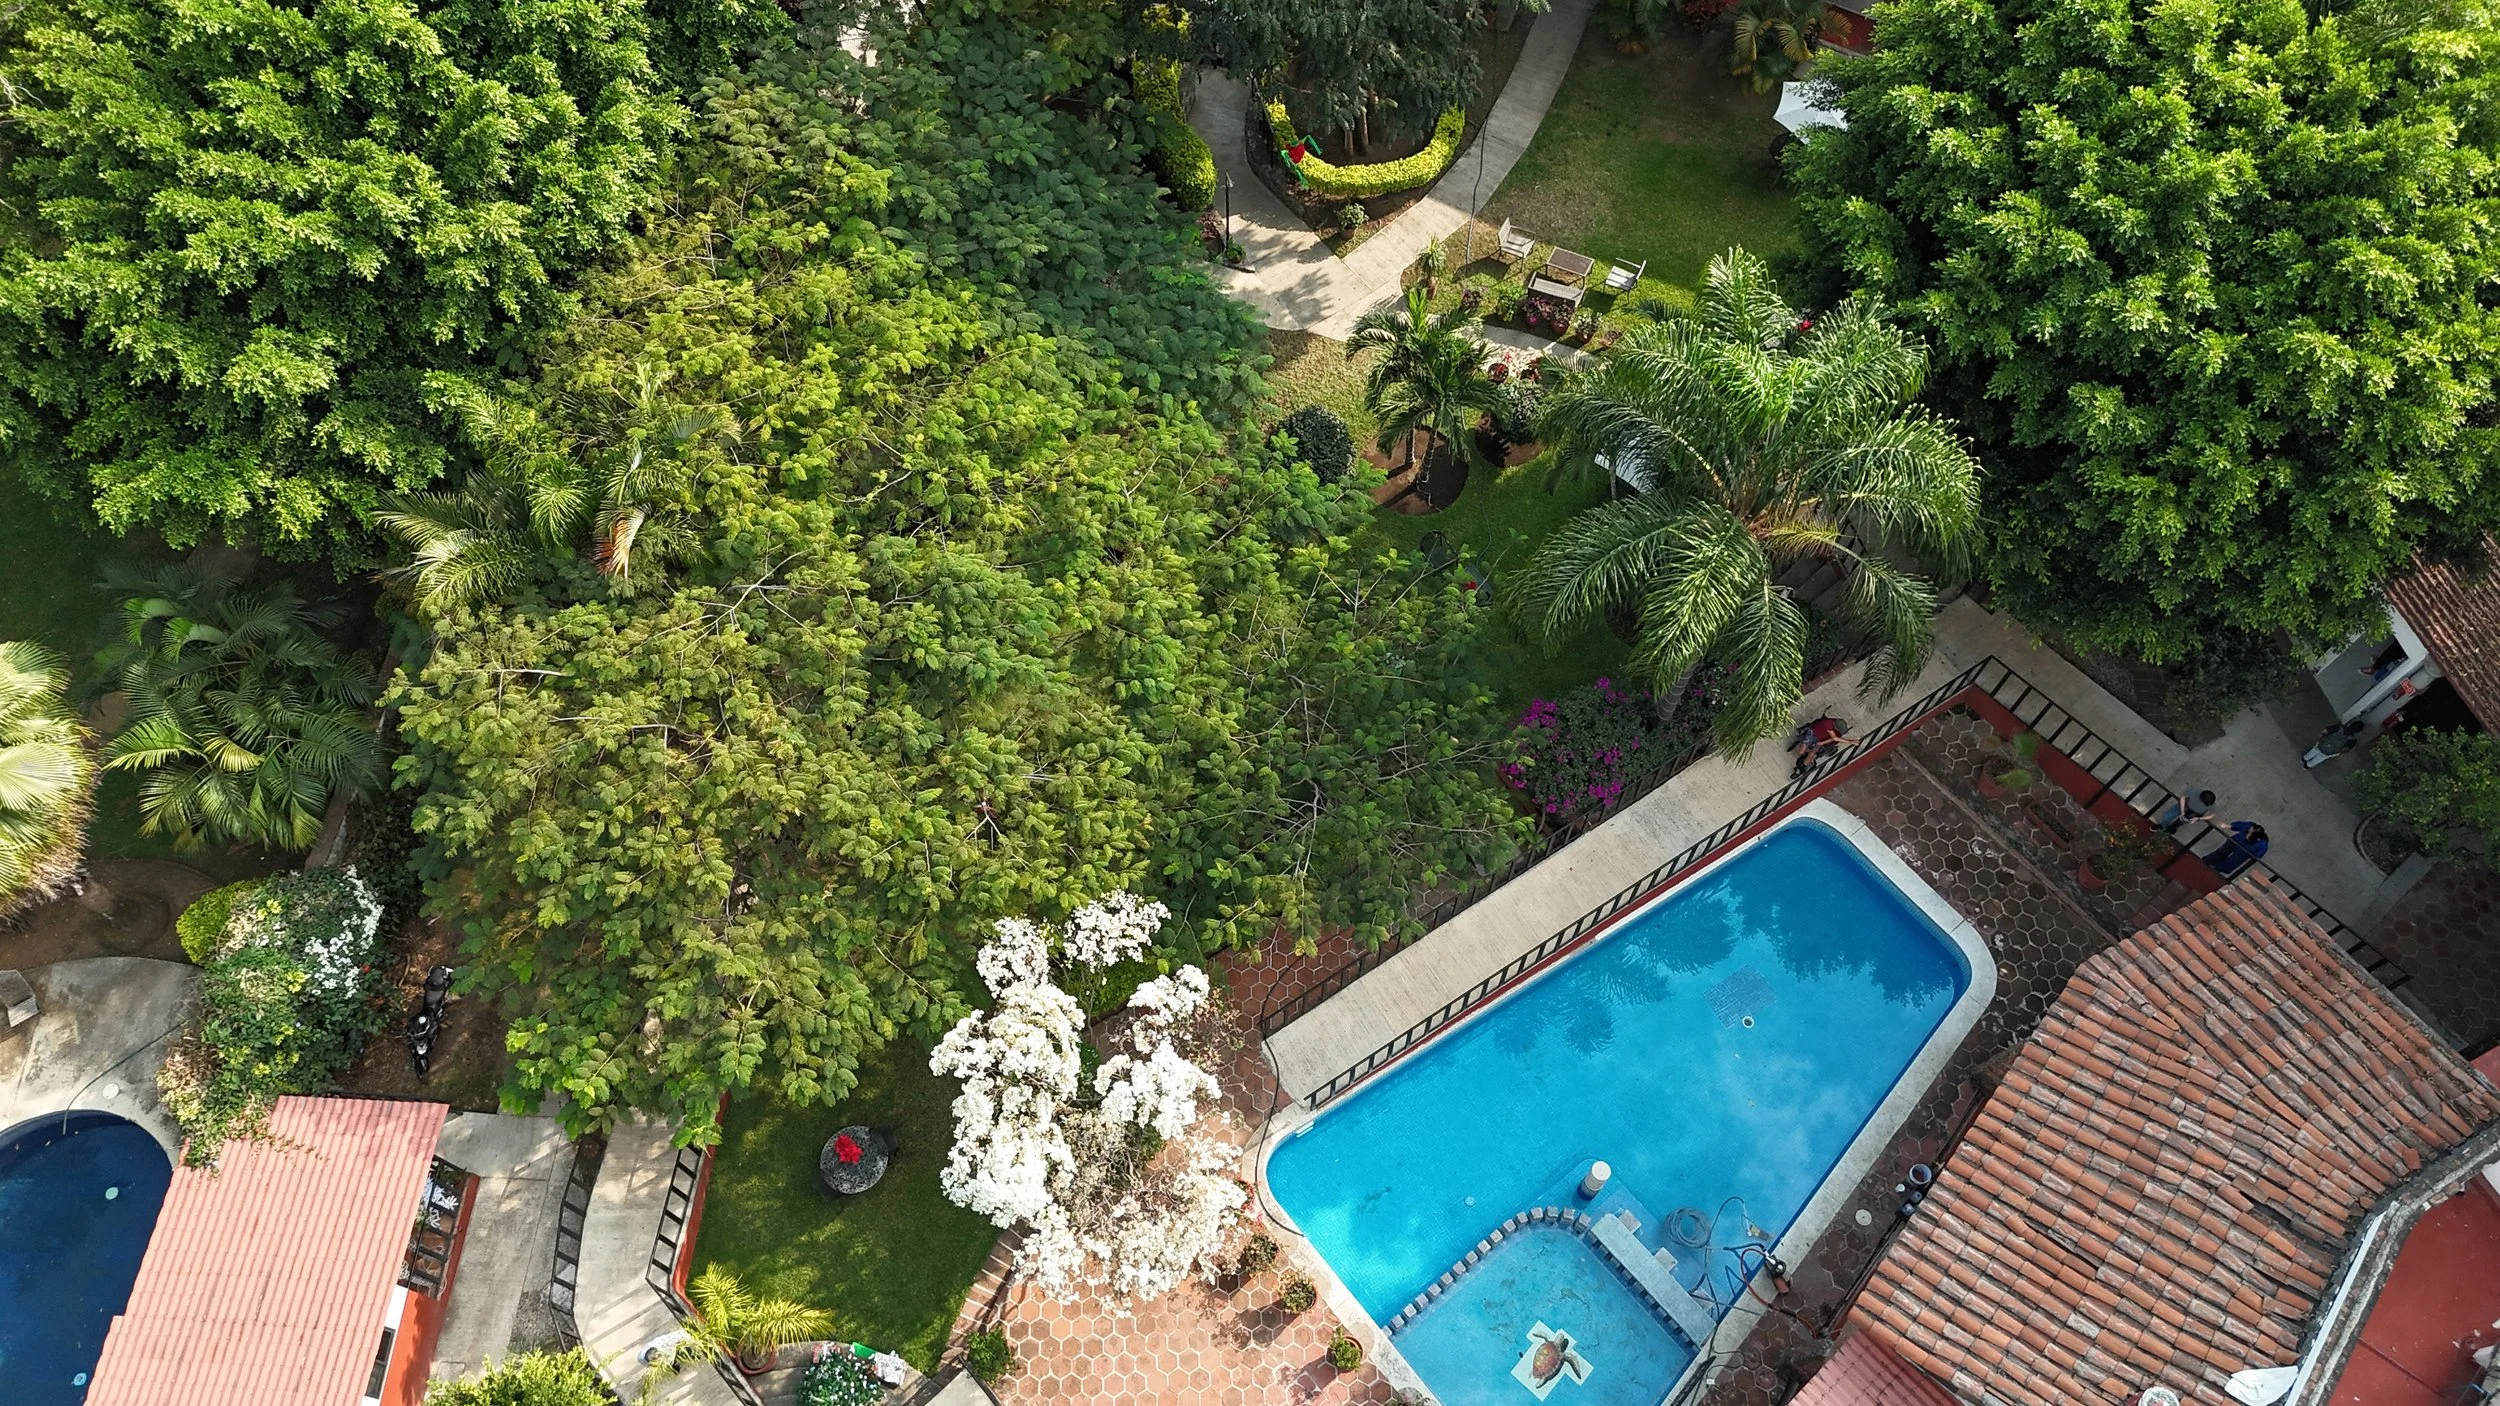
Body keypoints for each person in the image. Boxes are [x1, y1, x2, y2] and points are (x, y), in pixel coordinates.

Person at [2199, 820, 2269, 878]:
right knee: (2220, 853)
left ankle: (2215, 871)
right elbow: (2238, 825)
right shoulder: (2249, 826)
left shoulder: (2262, 843)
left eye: (2252, 829)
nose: (2250, 828)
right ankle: (2206, 861)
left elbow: (2258, 855)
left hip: (2243, 852)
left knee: (2231, 862)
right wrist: (2226, 826)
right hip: (2234, 842)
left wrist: (2252, 858)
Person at [1789, 715, 1854, 777]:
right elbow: (1834, 737)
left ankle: (1803, 767)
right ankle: (1808, 756)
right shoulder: (1828, 723)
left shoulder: (1837, 731)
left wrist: (1822, 743)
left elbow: (1832, 739)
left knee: (1811, 754)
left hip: (1820, 741)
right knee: (1801, 752)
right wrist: (1850, 741)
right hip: (1812, 734)